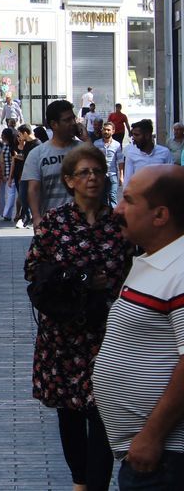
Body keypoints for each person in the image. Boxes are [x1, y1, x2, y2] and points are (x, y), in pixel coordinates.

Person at [26, 144, 135, 491]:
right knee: (70, 413)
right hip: (64, 337)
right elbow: (34, 271)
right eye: (84, 173)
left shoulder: (121, 226)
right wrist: (82, 278)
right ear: (70, 181)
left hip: (109, 336)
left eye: (98, 172)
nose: (93, 179)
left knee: (102, 413)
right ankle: (79, 481)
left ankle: (95, 483)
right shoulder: (55, 224)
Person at [93, 167, 184, 489]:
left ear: (160, 215)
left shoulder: (180, 268)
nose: (118, 209)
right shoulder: (152, 259)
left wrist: (152, 434)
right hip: (150, 453)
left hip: (165, 456)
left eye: (129, 201)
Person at [21, 100, 83, 224]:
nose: (73, 123)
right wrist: (36, 217)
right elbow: (33, 189)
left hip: (82, 221)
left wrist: (86, 139)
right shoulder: (37, 154)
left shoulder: (83, 149)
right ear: (54, 124)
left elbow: (100, 176)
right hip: (51, 223)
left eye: (73, 119)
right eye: (67, 120)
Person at [119, 119, 175, 189]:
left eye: (137, 135)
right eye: (133, 135)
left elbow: (171, 177)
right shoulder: (131, 154)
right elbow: (128, 180)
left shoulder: (164, 153)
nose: (133, 138)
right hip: (139, 197)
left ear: (147, 135)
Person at [95, 122, 123, 208]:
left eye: (108, 130)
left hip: (112, 174)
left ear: (113, 131)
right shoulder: (96, 143)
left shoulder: (117, 145)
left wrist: (121, 176)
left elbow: (120, 161)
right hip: (100, 175)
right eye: (104, 129)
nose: (106, 132)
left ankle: (113, 217)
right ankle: (103, 218)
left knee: (112, 196)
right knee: (102, 197)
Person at [0, 127, 19, 222]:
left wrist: (3, 174)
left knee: (9, 195)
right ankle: (10, 213)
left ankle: (6, 214)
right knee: (14, 195)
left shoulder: (4, 147)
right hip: (17, 172)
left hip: (8, 172)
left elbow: (2, 162)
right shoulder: (14, 146)